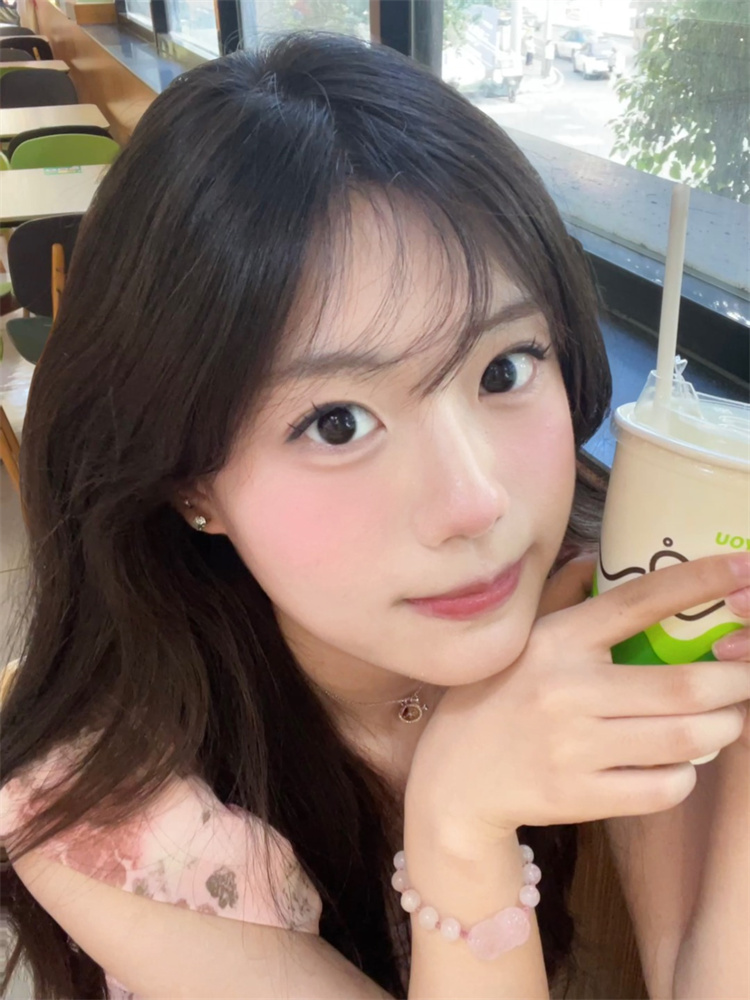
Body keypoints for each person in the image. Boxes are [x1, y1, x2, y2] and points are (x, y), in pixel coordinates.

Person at [2, 31, 749, 1000]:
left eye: (504, 369)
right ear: (190, 483)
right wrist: (457, 827)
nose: (475, 502)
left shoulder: (616, 608)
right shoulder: (105, 810)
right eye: (337, 423)